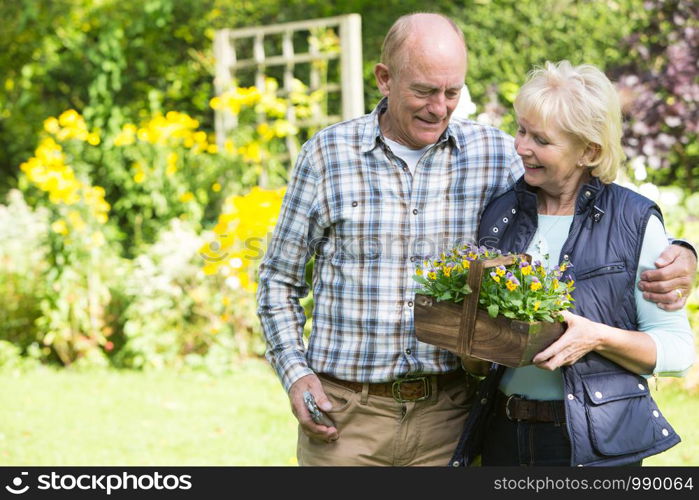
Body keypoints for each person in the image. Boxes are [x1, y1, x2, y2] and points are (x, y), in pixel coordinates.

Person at [257, 14, 696, 466]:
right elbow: (277, 278)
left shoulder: (492, 153)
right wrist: (295, 374)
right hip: (347, 417)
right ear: (384, 79)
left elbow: (590, 200)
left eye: (452, 92)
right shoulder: (328, 155)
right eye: (424, 91)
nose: (439, 107)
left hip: (450, 418)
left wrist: (681, 251)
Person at [451, 61, 695, 467]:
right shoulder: (501, 213)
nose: (521, 147)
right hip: (503, 436)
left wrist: (596, 337)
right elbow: (481, 358)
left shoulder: (633, 221)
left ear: (589, 151)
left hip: (595, 444)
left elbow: (678, 351)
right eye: (521, 129)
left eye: (541, 140)